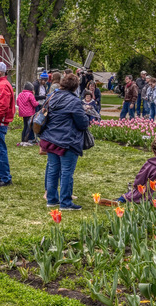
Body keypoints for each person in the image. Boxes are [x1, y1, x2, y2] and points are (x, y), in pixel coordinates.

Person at [40, 73, 90, 210]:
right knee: (66, 172)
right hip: (67, 140)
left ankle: (51, 199)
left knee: (52, 169)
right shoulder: (74, 101)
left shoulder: (52, 96)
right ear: (75, 87)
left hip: (50, 138)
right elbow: (82, 123)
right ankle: (66, 202)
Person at [16, 82, 38, 146]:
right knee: (29, 127)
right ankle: (27, 140)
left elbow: (17, 103)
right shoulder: (30, 95)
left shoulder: (20, 94)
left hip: (23, 113)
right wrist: (38, 103)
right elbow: (34, 104)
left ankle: (23, 139)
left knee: (25, 126)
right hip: (29, 113)